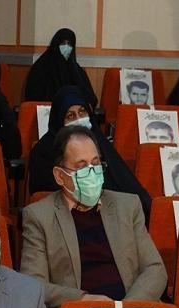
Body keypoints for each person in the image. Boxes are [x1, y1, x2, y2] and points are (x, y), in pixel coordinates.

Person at [21, 125, 166, 308]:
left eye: (96, 164)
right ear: (59, 176)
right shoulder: (39, 216)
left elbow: (155, 268)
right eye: (82, 167)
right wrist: (84, 300)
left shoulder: (128, 206)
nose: (92, 173)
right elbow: (32, 284)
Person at [27, 85, 152, 220]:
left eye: (82, 112)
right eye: (70, 116)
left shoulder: (100, 143)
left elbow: (126, 184)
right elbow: (47, 197)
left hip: (111, 213)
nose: (78, 119)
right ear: (59, 120)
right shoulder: (44, 152)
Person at [24, 28, 98, 109]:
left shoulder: (77, 71)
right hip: (47, 112)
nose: (66, 47)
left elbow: (90, 98)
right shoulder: (41, 68)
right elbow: (33, 97)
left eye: (69, 44)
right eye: (63, 43)